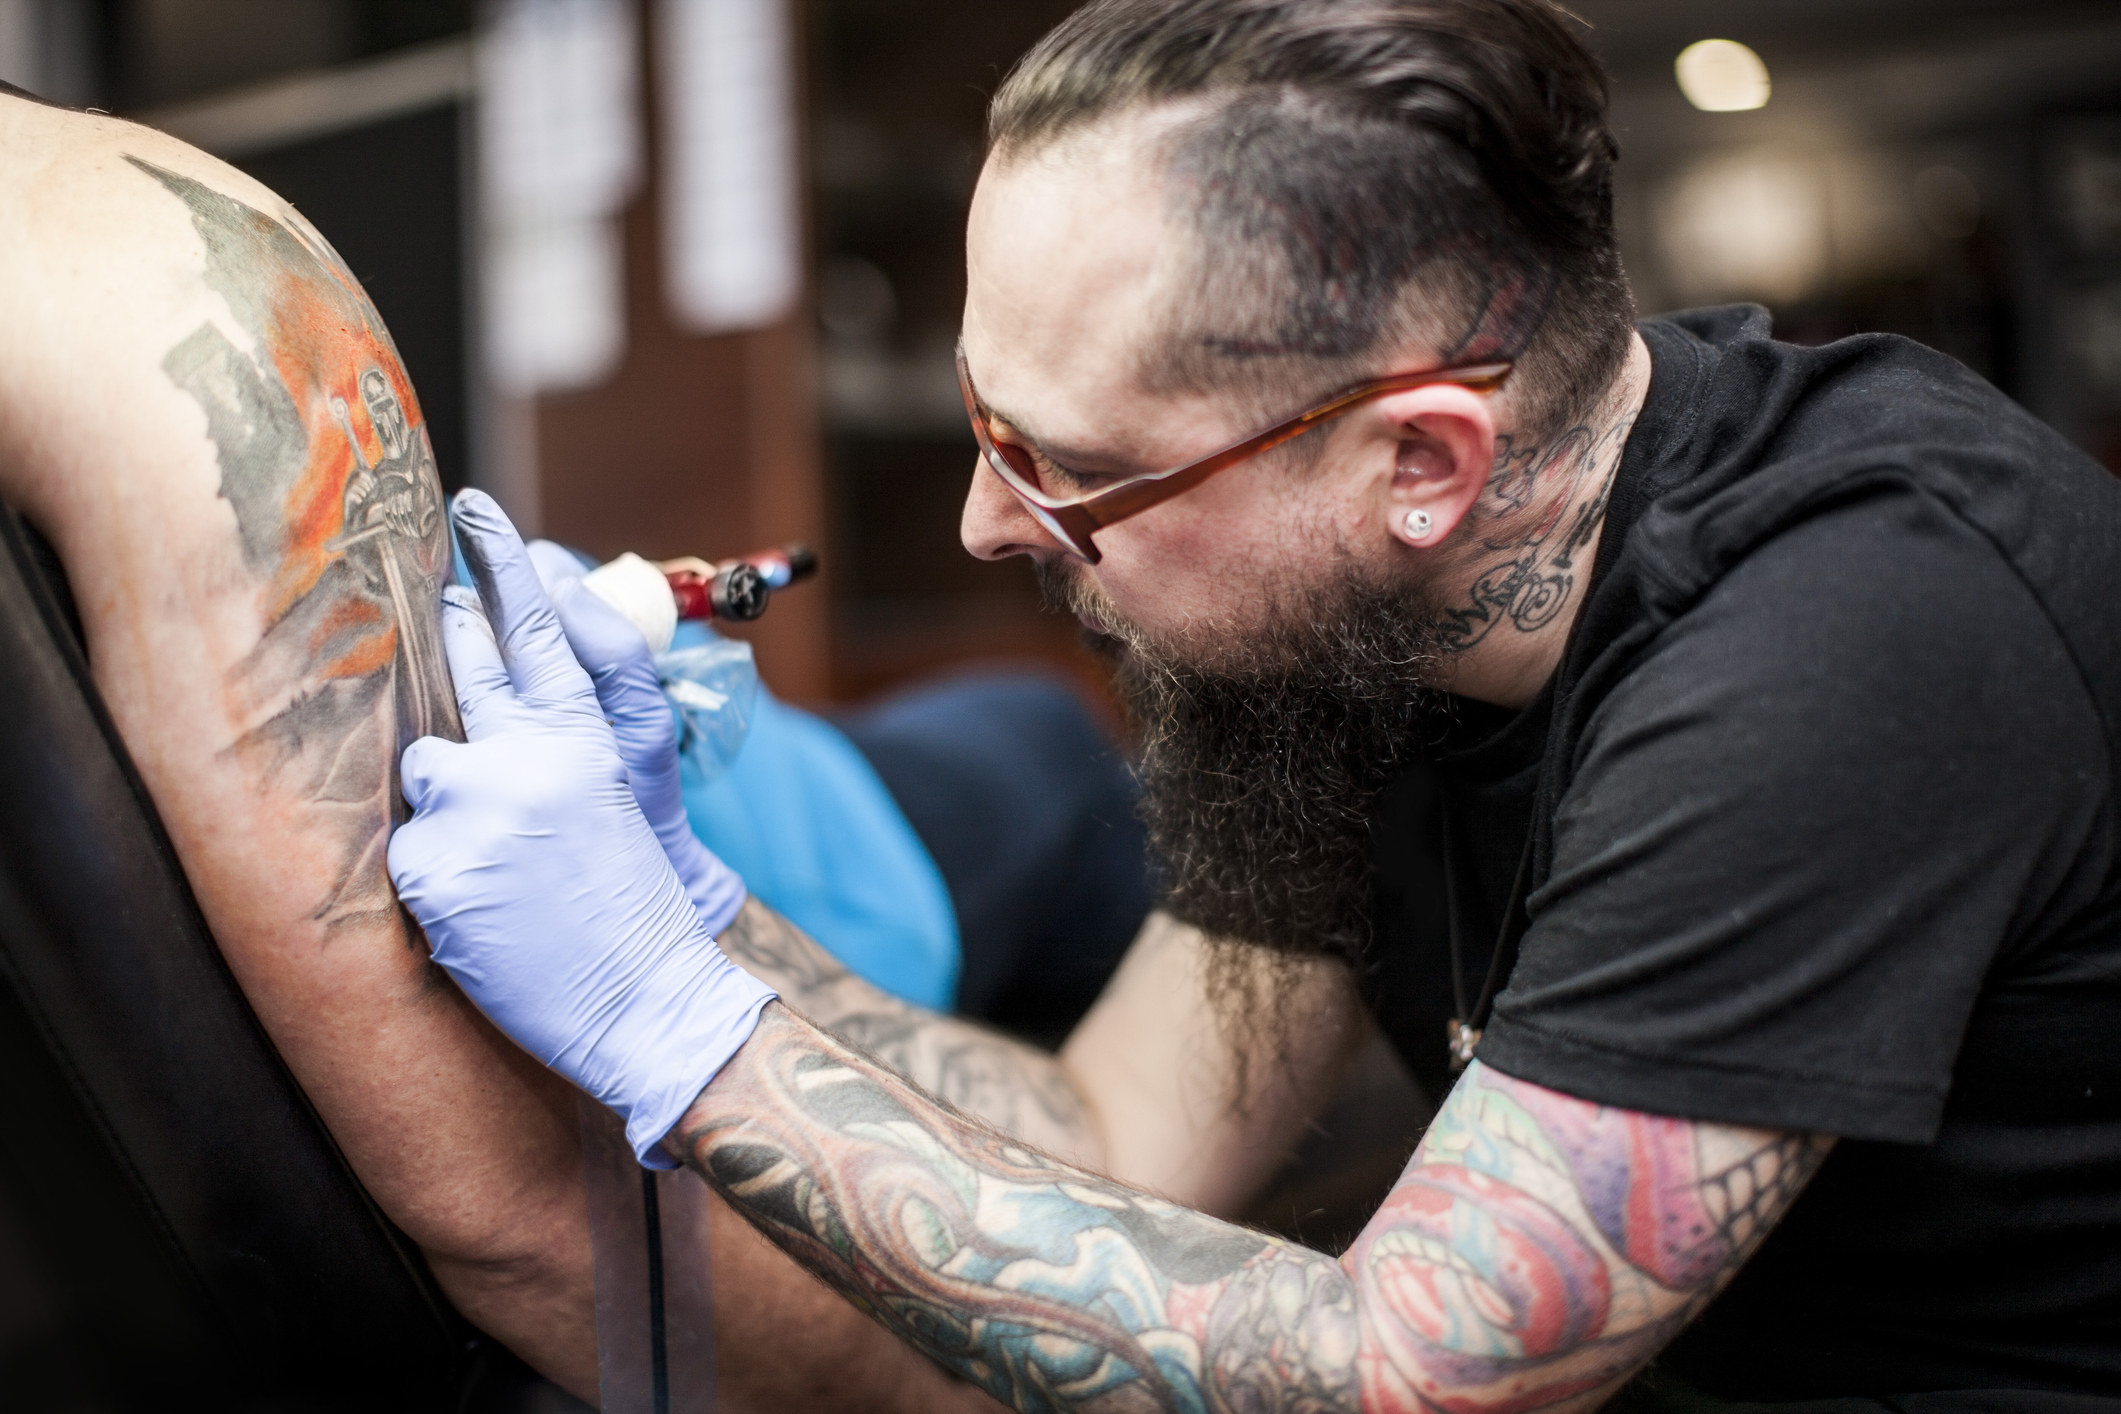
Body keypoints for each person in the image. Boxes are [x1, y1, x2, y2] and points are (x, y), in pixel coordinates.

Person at [386, 1, 2121, 1410]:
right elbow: (1122, 1138)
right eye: (986, 430)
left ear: (1420, 460)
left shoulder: (1841, 643)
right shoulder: (1354, 628)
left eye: (1062, 467)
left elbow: (1414, 1375)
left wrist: (677, 1029)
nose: (992, 524)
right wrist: (698, 905)